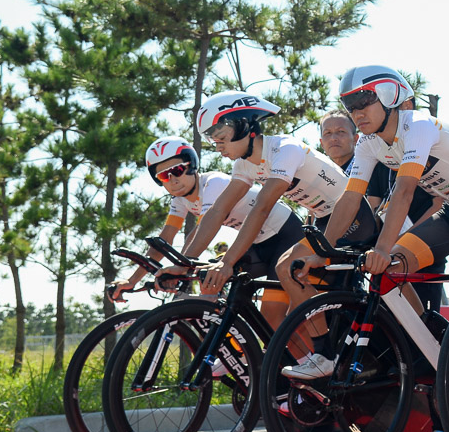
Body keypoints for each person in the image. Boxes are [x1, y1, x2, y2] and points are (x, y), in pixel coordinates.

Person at [297, 64, 449, 432]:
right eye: (348, 104)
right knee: (392, 274)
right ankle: (435, 348)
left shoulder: (419, 125)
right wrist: (322, 250)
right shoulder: (369, 142)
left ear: (391, 96)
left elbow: (406, 191)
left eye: (363, 101)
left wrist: (383, 245)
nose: (356, 111)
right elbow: (350, 201)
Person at [174, 92, 376, 332]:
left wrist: (228, 262)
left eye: (221, 138)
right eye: (213, 142)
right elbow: (218, 210)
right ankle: (322, 353)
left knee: (286, 267)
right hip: (324, 220)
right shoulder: (244, 164)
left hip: (353, 216)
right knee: (292, 292)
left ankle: (324, 353)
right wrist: (183, 265)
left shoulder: (284, 149)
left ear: (243, 127)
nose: (218, 148)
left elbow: (261, 208)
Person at [111, 137, 306, 328]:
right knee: (209, 281)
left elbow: (205, 228)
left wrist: (182, 266)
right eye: (163, 176)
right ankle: (229, 354)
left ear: (192, 165)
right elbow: (165, 240)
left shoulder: (214, 183)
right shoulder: (180, 201)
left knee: (272, 317)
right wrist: (131, 280)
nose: (173, 180)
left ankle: (307, 358)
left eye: (177, 170)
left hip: (286, 238)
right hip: (257, 244)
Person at [319, 108, 445, 312]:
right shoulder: (377, 157)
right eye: (327, 133)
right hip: (389, 247)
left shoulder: (420, 145)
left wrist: (406, 240)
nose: (334, 138)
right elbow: (375, 210)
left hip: (421, 243)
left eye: (341, 132)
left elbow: (439, 204)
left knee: (425, 323)